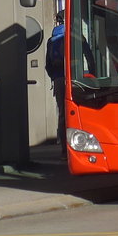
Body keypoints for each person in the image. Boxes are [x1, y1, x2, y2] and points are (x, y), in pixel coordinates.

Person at [45, 11, 67, 157]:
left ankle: (64, 149)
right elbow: (89, 57)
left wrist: (55, 77)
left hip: (58, 79)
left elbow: (48, 65)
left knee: (62, 114)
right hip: (75, 80)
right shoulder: (74, 36)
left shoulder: (51, 40)